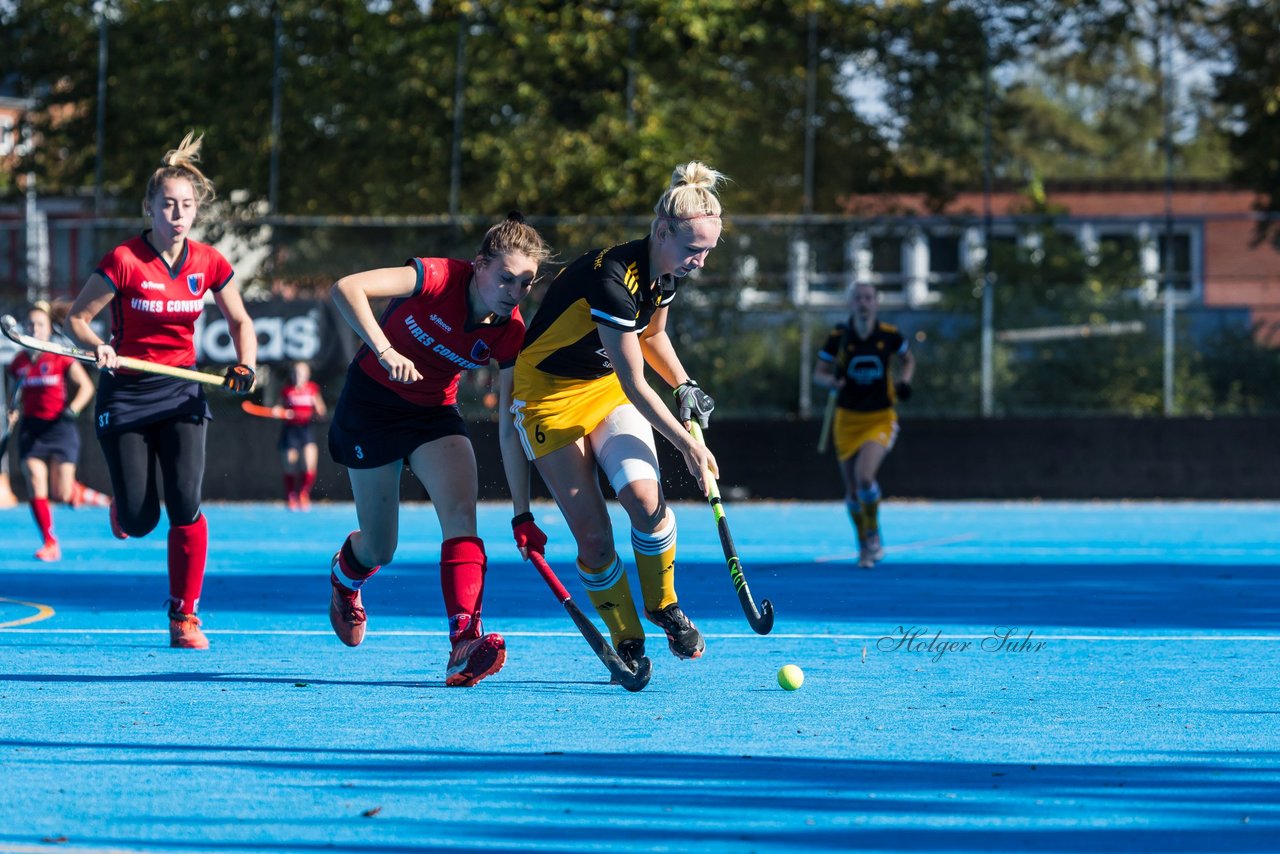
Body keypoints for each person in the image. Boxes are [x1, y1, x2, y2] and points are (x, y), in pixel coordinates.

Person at [510, 161, 726, 675]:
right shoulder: (612, 280)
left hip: (603, 391)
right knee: (594, 535)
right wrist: (690, 446)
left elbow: (651, 337)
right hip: (548, 399)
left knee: (647, 503)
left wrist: (685, 384)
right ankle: (626, 637)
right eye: (693, 248)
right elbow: (634, 381)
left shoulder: (665, 273)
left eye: (708, 251)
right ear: (661, 231)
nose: (699, 261)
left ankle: (663, 605)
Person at [326, 211, 551, 688]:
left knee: (460, 516)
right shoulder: (437, 276)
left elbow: (511, 428)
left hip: (433, 415)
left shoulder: (510, 332)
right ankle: (347, 577)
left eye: (526, 283)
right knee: (381, 546)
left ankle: (464, 641)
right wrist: (386, 351)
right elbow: (346, 287)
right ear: (479, 265)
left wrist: (522, 512)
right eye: (506, 277)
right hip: (370, 406)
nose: (513, 291)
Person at [66, 132, 258, 648]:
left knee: (185, 503)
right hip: (125, 395)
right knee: (139, 518)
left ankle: (184, 615)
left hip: (181, 395)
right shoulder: (124, 261)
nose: (178, 213)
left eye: (187, 205)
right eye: (168, 204)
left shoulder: (208, 262)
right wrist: (97, 345)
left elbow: (240, 320)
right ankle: (123, 507)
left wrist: (247, 363)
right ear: (149, 207)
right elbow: (76, 319)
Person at [813, 282, 916, 568]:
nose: (863, 302)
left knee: (865, 477)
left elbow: (908, 360)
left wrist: (905, 381)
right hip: (847, 419)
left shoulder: (890, 336)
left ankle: (873, 534)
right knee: (852, 491)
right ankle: (864, 545)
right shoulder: (839, 337)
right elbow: (819, 373)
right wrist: (832, 381)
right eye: (858, 297)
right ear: (850, 303)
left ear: (876, 303)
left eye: (868, 298)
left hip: (879, 418)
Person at [5, 301, 101, 561]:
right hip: (32, 429)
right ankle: (50, 542)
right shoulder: (18, 363)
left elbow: (86, 387)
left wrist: (74, 409)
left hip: (60, 427)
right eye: (30, 325)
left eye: (39, 324)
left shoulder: (60, 355)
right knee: (36, 481)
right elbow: (15, 396)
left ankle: (78, 492)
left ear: (48, 329)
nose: (34, 329)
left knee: (62, 493)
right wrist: (13, 412)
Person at [278, 360, 326, 510]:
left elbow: (321, 412)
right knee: (290, 465)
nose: (298, 376)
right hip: (290, 431)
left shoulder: (312, 389)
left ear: (307, 375)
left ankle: (303, 494)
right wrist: (280, 412)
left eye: (301, 373)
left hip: (306, 430)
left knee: (309, 464)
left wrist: (316, 409)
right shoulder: (287, 390)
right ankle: (291, 495)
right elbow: (279, 408)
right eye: (295, 373)